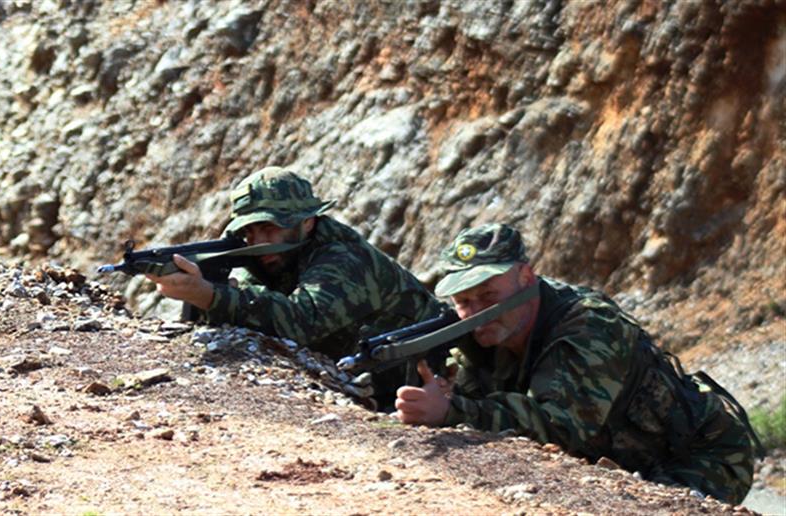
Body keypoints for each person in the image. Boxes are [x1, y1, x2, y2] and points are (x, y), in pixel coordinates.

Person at [394, 223, 759, 504]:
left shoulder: (589, 326)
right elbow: (478, 396)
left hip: (700, 454)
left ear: (525, 277)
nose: (475, 313)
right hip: (617, 459)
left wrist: (452, 410)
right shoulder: (488, 333)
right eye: (463, 301)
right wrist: (442, 395)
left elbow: (560, 426)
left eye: (488, 295)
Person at [147, 166, 446, 406]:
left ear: (308, 222)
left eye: (270, 228)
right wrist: (203, 294)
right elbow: (252, 312)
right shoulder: (272, 257)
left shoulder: (343, 257)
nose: (259, 243)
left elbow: (302, 321)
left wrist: (210, 295)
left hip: (433, 389)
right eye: (249, 231)